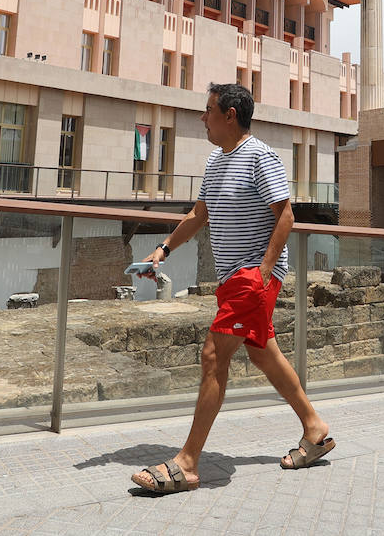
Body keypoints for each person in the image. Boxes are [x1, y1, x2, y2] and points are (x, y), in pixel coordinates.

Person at [130, 83, 334, 493]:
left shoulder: (260, 156)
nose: (202, 118)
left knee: (212, 355)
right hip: (233, 279)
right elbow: (198, 214)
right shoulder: (216, 160)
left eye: (207, 111)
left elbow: (286, 216)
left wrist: (262, 270)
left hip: (250, 276)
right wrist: (163, 249)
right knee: (262, 353)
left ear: (230, 115)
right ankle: (315, 428)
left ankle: (187, 463)